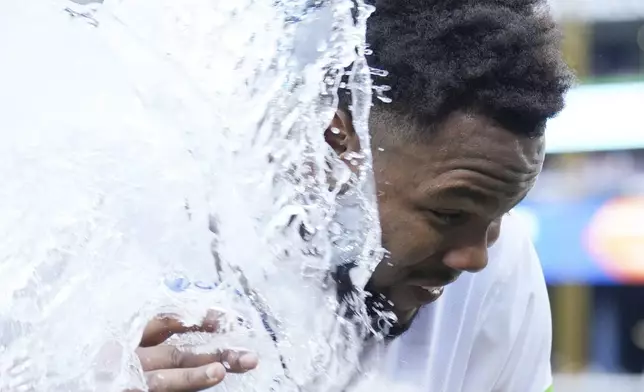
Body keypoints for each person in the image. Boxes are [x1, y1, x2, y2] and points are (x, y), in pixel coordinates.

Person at [135, 0, 572, 390]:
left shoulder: (503, 268)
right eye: (448, 214)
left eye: (501, 214)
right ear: (335, 145)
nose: (475, 259)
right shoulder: (150, 237)